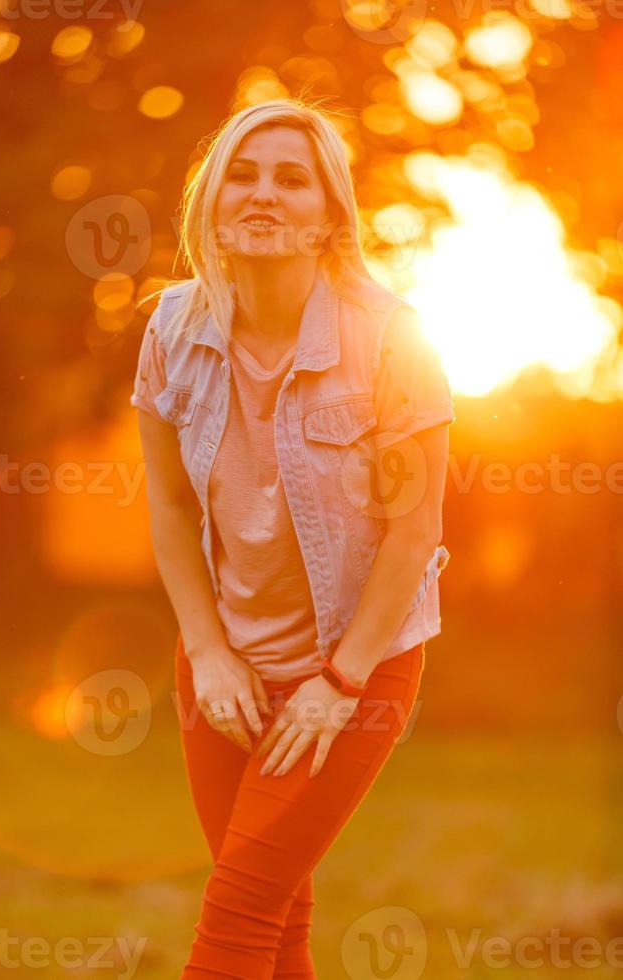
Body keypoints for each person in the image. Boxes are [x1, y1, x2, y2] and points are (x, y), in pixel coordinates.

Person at [130, 97, 455, 979]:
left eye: (291, 178)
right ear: (213, 201)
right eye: (243, 172)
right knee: (275, 919)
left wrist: (340, 681)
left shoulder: (392, 340)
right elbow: (167, 508)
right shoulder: (170, 327)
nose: (263, 193)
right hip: (224, 667)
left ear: (329, 215)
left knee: (234, 916)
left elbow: (413, 530)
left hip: (358, 662)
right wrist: (208, 652)